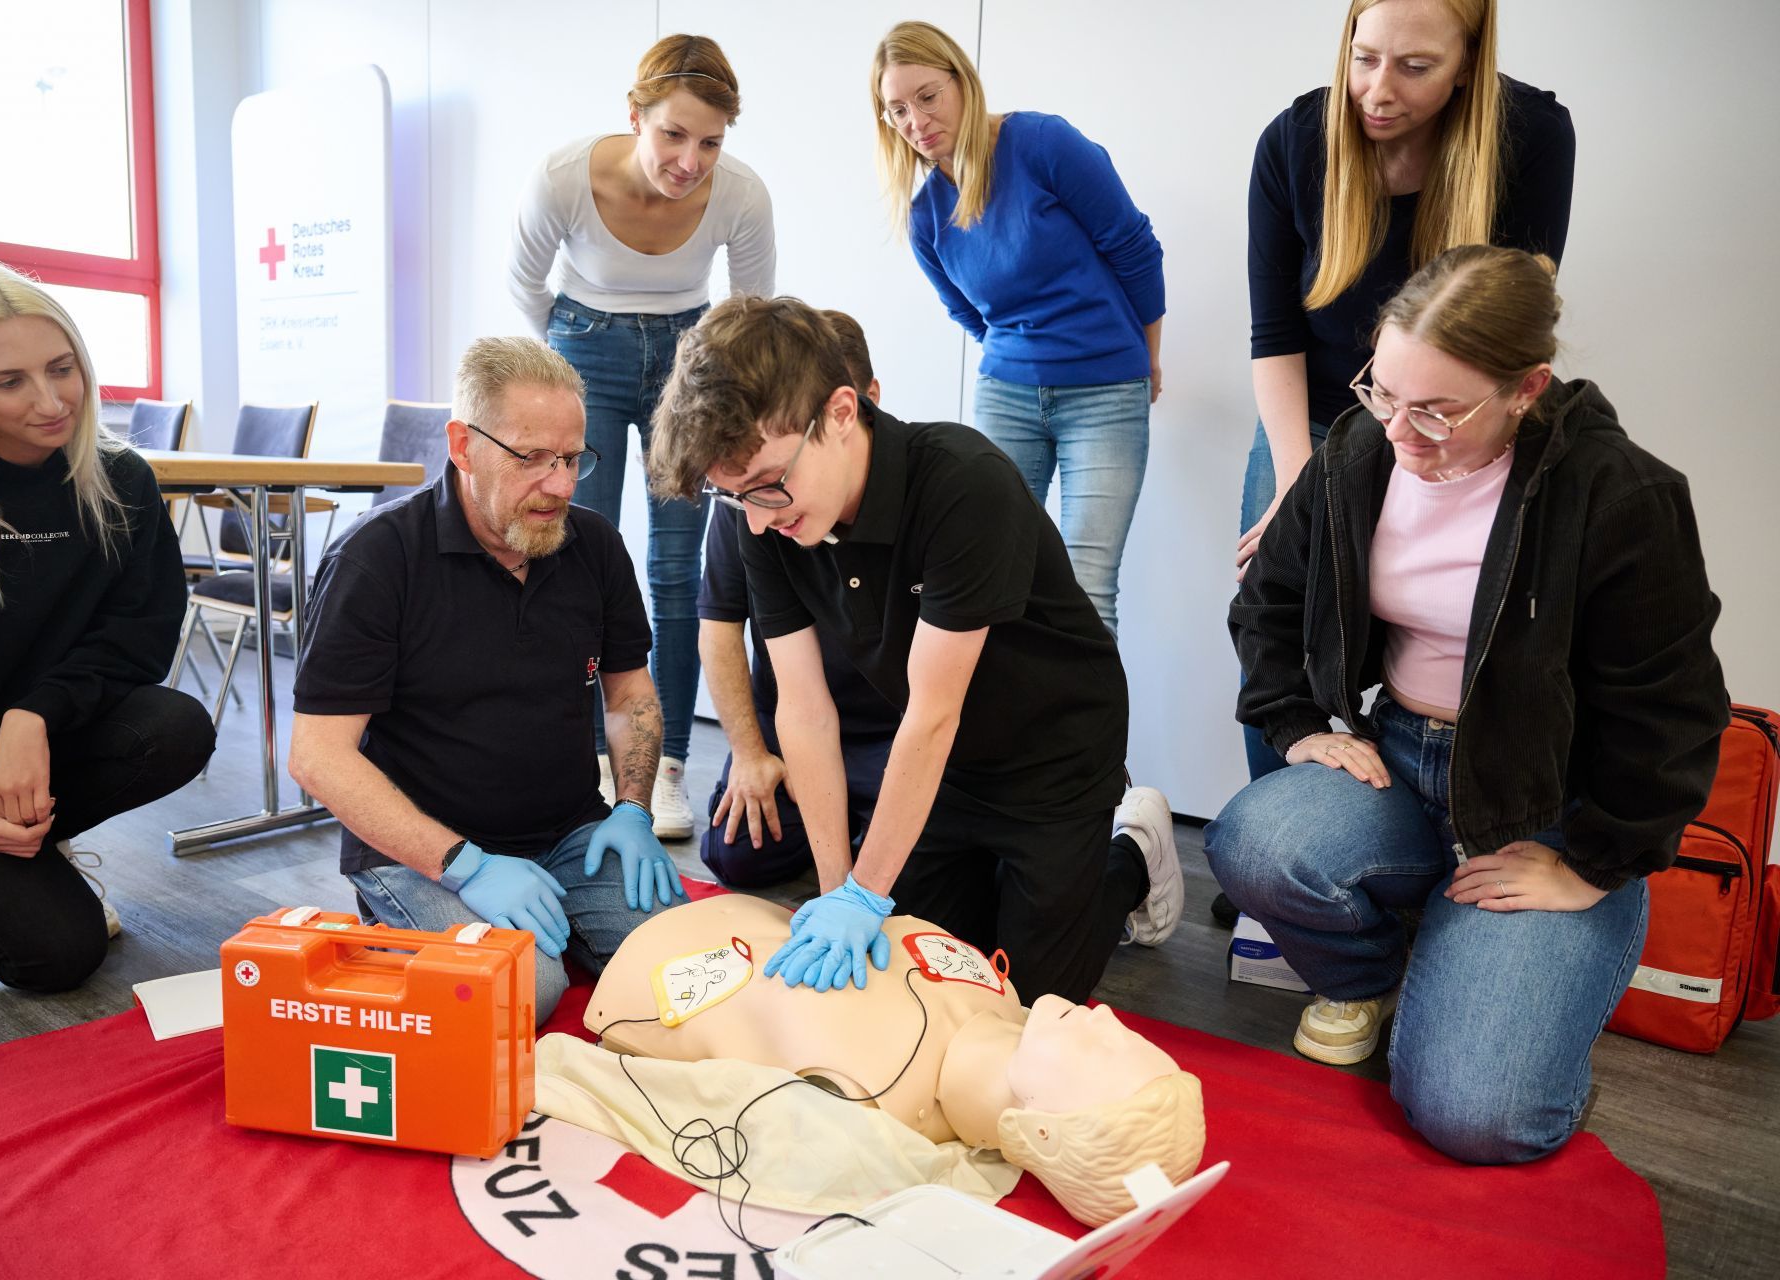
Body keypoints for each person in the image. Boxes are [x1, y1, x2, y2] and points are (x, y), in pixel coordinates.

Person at [1207, 245, 1728, 1165]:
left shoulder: (1622, 496)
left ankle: (1491, 975)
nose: (1403, 431)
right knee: (1253, 841)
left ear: (1527, 389)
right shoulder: (1359, 453)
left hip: (1548, 810)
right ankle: (1379, 977)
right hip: (1404, 760)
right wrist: (1293, 727)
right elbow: (1268, 603)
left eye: (1439, 411)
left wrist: (1594, 866)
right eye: (1386, 393)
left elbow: (1674, 714)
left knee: (1477, 1118)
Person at [650, 294, 1156, 1006]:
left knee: (1024, 998)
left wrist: (866, 893)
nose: (757, 522)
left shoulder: (962, 484)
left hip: (1054, 756)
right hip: (946, 770)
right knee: (922, 977)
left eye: (767, 486)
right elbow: (802, 708)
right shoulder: (759, 521)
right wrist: (837, 892)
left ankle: (1133, 851)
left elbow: (933, 713)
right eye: (735, 499)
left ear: (842, 413)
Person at [287, 338, 684, 1026]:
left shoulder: (594, 546)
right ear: (463, 446)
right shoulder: (378, 560)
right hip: (424, 848)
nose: (559, 483)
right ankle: (404, 927)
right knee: (524, 991)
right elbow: (318, 757)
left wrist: (632, 808)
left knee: (683, 968)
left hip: (568, 833)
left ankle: (528, 926)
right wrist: (463, 865)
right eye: (530, 457)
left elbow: (630, 694)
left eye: (571, 458)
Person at [1237, 0, 1573, 780]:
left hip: (1462, 423)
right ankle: (1282, 827)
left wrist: (1441, 437)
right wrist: (1297, 479)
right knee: (1278, 617)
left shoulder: (1533, 136)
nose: (1377, 91)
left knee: (1456, 622)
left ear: (1466, 68)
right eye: (1364, 57)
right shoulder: (1294, 142)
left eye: (1416, 67)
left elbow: (1515, 317)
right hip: (1317, 418)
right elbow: (1274, 336)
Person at [0, 262, 213, 988]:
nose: (52, 401)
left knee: (174, 727)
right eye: (9, 381)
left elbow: (138, 637)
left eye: (62, 369)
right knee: (57, 955)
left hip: (31, 742)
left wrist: (33, 717)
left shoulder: (120, 480)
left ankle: (26, 827)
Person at [508, 33, 776, 839]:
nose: (690, 160)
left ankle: (662, 771)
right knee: (576, 553)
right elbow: (526, 285)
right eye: (672, 134)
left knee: (674, 569)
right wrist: (567, 354)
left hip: (691, 353)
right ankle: (589, 759)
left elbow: (750, 314)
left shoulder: (742, 194)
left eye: (710, 142)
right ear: (635, 116)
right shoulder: (563, 177)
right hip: (584, 342)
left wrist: (719, 389)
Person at [574, 894, 1206, 1226]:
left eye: (1104, 1050)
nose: (1104, 1017)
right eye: (1123, 1031)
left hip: (646, 966)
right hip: (737, 916)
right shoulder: (1006, 1001)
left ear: (1043, 1127)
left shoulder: (870, 1094)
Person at [872, 20, 1164, 638]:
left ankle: (1087, 736)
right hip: (1006, 395)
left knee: (1087, 583)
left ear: (961, 81)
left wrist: (1148, 356)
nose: (916, 121)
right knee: (1000, 576)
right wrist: (1020, 356)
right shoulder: (926, 216)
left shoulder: (1040, 143)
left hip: (1106, 390)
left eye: (927, 96)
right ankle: (1019, 732)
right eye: (896, 109)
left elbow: (1133, 247)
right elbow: (968, 314)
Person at [695, 309, 900, 887]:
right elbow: (719, 625)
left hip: (885, 732)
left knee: (915, 877)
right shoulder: (753, 507)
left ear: (855, 408)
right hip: (791, 721)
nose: (767, 512)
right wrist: (749, 752)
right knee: (734, 855)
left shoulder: (925, 485)